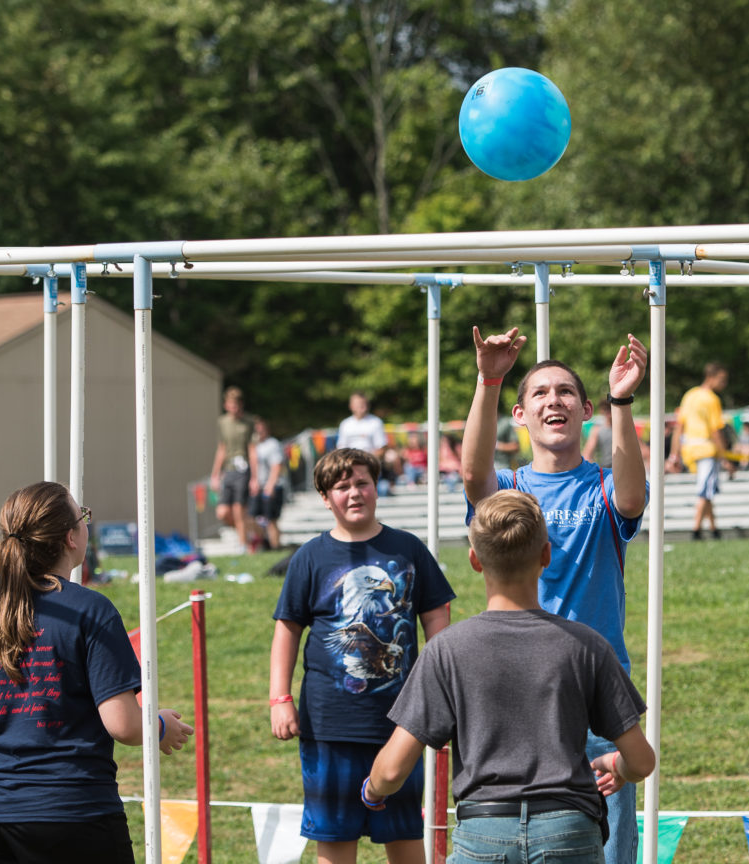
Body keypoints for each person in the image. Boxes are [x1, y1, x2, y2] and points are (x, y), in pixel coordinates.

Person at [366, 490, 655, 864]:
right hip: (570, 831)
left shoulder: (447, 650)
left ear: (474, 560)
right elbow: (642, 762)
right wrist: (617, 766)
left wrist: (372, 790)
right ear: (546, 556)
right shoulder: (587, 646)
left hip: (483, 833)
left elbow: (391, 770)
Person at [461, 326, 648, 864]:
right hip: (517, 691)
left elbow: (633, 497)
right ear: (520, 416)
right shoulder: (510, 493)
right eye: (540, 393)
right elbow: (474, 477)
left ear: (586, 409)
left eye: (565, 391)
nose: (553, 400)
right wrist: (490, 380)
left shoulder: (605, 485)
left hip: (595, 694)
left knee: (609, 850)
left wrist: (623, 400)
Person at [0, 482, 194, 863]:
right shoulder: (89, 610)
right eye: (83, 516)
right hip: (73, 810)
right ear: (70, 537)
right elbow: (122, 724)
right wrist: (159, 726)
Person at [272, 449, 455, 864]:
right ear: (324, 497)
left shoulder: (408, 548)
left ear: (376, 487)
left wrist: (440, 693)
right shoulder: (309, 557)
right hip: (328, 724)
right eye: (341, 487)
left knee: (406, 836)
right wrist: (279, 698)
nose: (354, 493)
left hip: (402, 724)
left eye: (362, 483)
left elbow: (437, 617)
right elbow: (287, 629)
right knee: (335, 841)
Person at [672, 363, 735, 541]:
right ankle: (696, 531)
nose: (724, 384)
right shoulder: (712, 399)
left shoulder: (690, 395)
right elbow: (716, 430)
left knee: (708, 490)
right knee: (704, 491)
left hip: (689, 450)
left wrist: (674, 454)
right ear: (711, 377)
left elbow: (680, 426)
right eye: (722, 380)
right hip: (707, 449)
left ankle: (714, 530)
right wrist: (725, 457)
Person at [210, 387, 256, 552]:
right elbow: (221, 448)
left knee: (238, 509)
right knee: (222, 512)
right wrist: (215, 474)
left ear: (241, 405)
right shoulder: (222, 422)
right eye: (230, 405)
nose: (233, 409)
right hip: (228, 470)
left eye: (236, 405)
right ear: (226, 405)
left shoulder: (249, 422)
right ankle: (251, 531)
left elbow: (252, 450)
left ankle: (243, 545)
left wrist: (254, 478)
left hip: (243, 470)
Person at [249, 418, 288, 550]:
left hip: (272, 487)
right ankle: (264, 544)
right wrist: (254, 481)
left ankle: (276, 547)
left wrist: (270, 486)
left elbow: (277, 466)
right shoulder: (254, 446)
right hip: (259, 487)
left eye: (261, 429)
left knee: (271, 520)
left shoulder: (273, 444)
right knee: (254, 518)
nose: (259, 432)